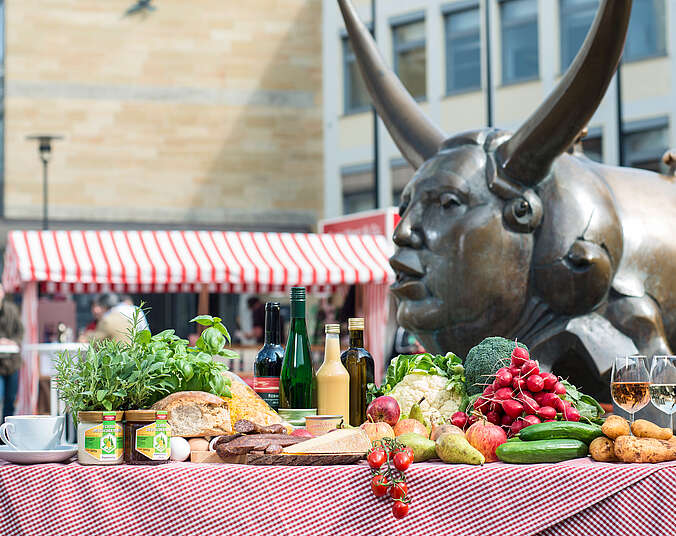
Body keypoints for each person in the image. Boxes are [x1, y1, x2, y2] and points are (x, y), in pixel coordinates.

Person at [0, 284, 24, 420]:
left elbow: (20, 331)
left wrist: (12, 341)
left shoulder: (12, 310)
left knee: (10, 399)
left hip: (12, 362)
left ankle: (6, 433)